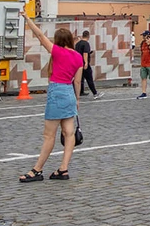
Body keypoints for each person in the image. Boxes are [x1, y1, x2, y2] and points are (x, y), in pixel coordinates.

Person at [19, 16, 83, 182]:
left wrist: (27, 19)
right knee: (69, 133)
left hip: (57, 91)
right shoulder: (78, 57)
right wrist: (77, 99)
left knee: (49, 135)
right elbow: (77, 81)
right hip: (69, 92)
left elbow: (40, 36)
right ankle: (63, 168)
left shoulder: (57, 52)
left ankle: (37, 169)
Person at [75, 30, 100, 100]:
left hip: (78, 63)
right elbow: (85, 53)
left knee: (79, 79)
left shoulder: (77, 44)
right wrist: (86, 62)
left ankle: (79, 92)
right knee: (89, 79)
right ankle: (95, 93)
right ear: (88, 36)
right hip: (84, 64)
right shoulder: (86, 44)